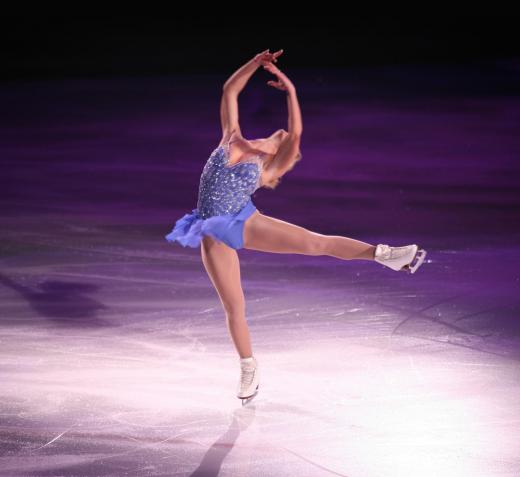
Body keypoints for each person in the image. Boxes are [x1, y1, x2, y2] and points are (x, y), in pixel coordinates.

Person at [165, 49, 427, 405]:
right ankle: (249, 367)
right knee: (234, 306)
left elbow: (298, 131)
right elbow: (230, 90)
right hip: (211, 231)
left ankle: (385, 255)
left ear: (281, 151)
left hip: (244, 222)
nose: (284, 131)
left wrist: (290, 90)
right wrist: (256, 64)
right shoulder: (231, 136)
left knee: (316, 243)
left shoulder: (267, 168)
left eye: (286, 137)